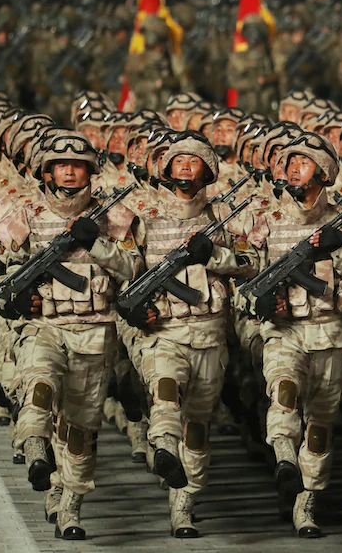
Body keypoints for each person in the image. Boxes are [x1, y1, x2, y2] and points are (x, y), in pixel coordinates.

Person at [0, 131, 142, 540]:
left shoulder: (116, 217)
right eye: (61, 165)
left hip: (94, 331)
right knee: (39, 384)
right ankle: (35, 446)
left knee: (81, 426)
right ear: (48, 171)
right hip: (45, 326)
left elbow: (133, 268)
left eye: (78, 166)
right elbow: (1, 264)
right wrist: (17, 297)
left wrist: (96, 244)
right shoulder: (26, 213)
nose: (70, 172)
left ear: (90, 171)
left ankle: (70, 505)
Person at [124, 133, 258, 538]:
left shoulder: (225, 216)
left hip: (209, 332)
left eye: (194, 160)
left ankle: (185, 502)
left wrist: (213, 255)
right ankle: (164, 445)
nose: (184, 165)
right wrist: (131, 311)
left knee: (198, 423)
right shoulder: (144, 215)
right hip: (164, 331)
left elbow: (251, 263)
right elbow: (127, 270)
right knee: (165, 390)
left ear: (208, 171)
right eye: (178, 159)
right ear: (166, 168)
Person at [246, 133, 342, 536]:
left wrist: (338, 247)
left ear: (324, 172)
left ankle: (306, 502)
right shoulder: (266, 216)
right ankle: (284, 456)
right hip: (284, 330)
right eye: (290, 162)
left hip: (329, 332)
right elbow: (245, 270)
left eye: (304, 162)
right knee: (283, 390)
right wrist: (257, 303)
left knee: (320, 424)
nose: (293, 169)